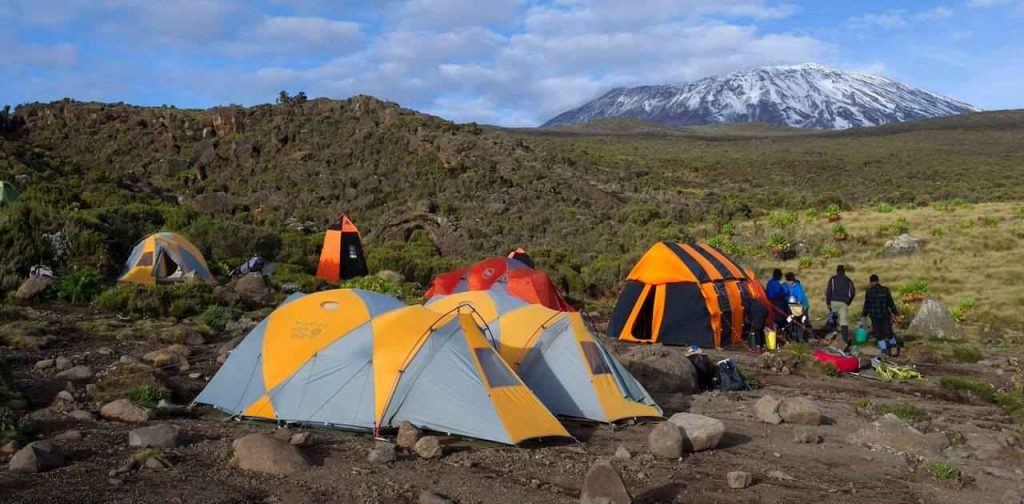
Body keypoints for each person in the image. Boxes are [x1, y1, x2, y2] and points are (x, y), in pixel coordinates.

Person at [862, 274, 901, 357]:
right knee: (889, 331)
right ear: (878, 280)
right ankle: (894, 347)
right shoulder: (885, 290)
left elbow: (867, 305)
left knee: (878, 333)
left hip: (874, 316)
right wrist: (896, 313)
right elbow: (891, 303)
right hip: (885, 315)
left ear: (871, 282)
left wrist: (864, 315)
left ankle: (884, 350)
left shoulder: (869, 291)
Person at [825, 265, 856, 350]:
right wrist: (848, 302)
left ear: (837, 271)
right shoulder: (849, 281)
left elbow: (829, 291)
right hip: (843, 303)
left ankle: (833, 337)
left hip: (833, 301)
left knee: (832, 319)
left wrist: (828, 302)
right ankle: (845, 341)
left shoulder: (833, 279)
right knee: (844, 322)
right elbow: (852, 293)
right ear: (844, 271)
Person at [785, 272, 811, 342]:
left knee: (801, 322)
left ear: (793, 281)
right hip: (792, 306)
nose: (788, 284)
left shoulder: (798, 287)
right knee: (790, 320)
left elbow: (800, 297)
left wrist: (797, 304)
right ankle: (792, 336)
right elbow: (784, 294)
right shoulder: (785, 286)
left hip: (802, 307)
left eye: (790, 282)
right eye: (787, 282)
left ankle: (802, 338)